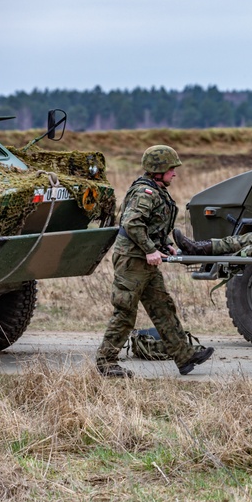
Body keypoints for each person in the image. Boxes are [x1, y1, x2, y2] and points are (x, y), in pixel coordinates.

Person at [95, 145, 214, 378]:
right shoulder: (144, 193)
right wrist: (150, 250)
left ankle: (184, 355)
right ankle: (106, 362)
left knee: (162, 307)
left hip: (144, 260)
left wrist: (164, 244)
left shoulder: (156, 190)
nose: (174, 173)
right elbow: (131, 223)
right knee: (125, 311)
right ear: (158, 170)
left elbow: (152, 225)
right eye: (171, 169)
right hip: (133, 261)